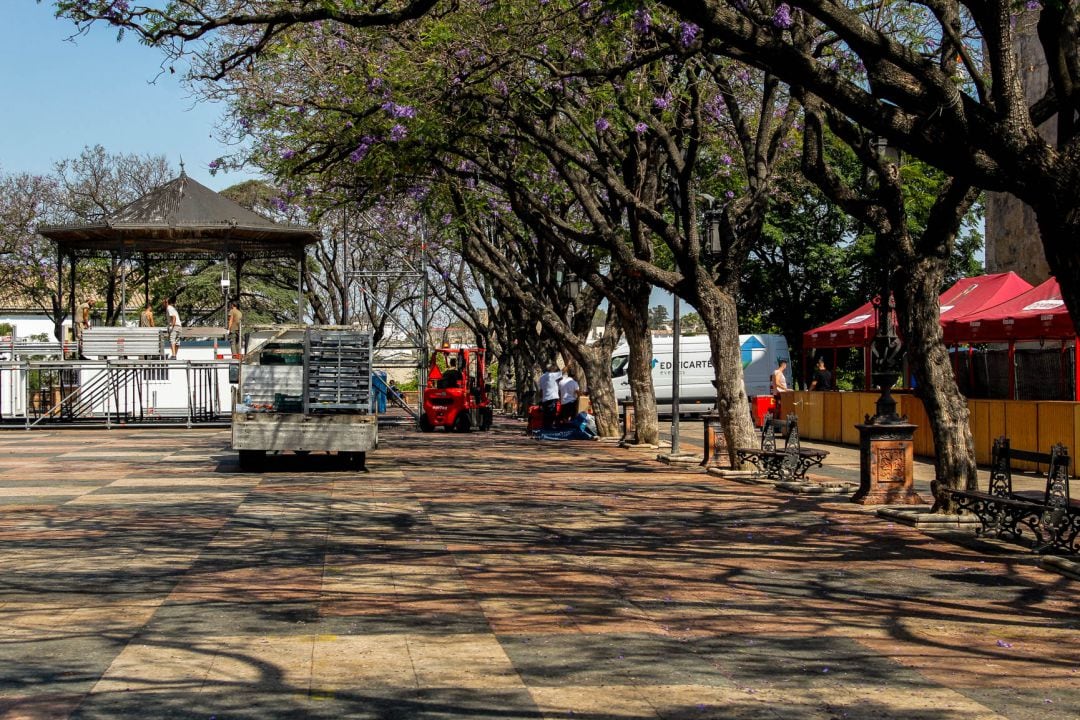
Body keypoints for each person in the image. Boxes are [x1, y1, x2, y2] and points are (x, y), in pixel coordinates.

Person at [538, 363, 562, 429]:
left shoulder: (542, 377)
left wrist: (540, 399)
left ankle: (545, 427)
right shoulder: (552, 375)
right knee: (551, 413)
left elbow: (541, 390)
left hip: (545, 398)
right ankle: (549, 427)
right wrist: (568, 365)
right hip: (552, 397)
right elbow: (562, 372)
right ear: (552, 369)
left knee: (546, 414)